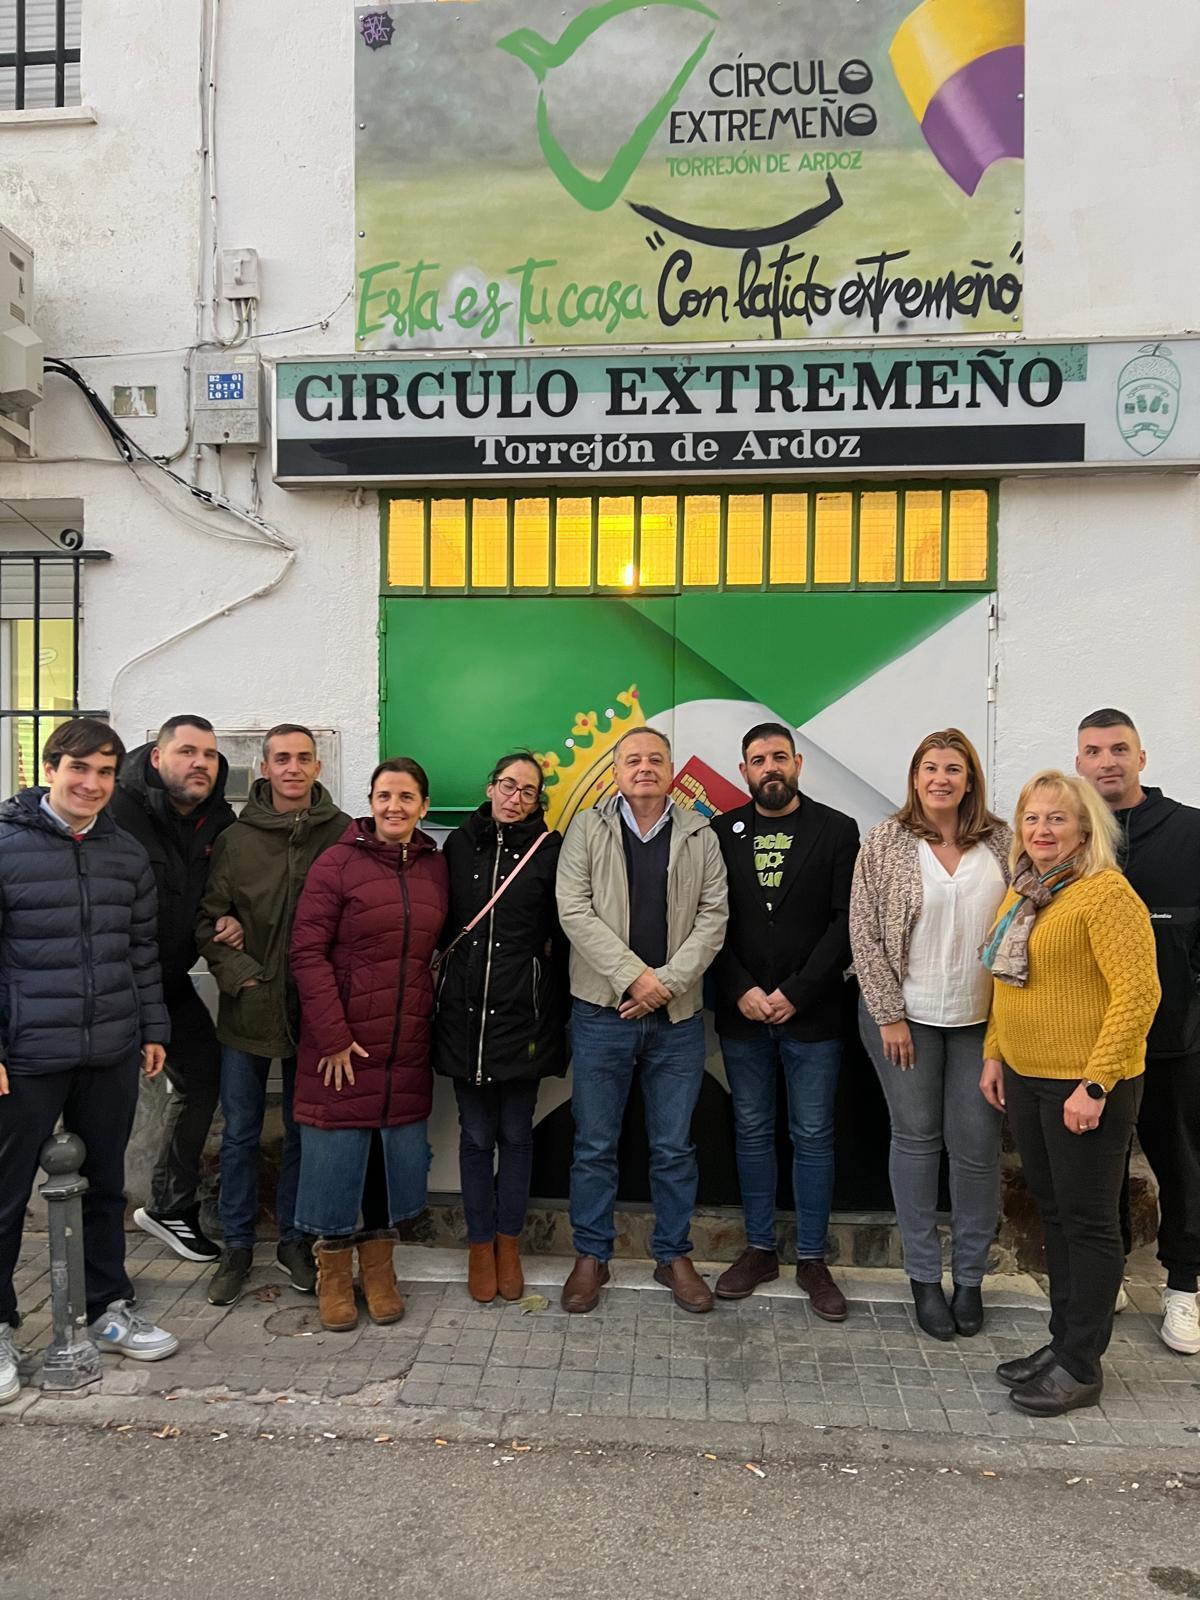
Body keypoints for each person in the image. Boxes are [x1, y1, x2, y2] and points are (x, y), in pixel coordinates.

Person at [0, 719, 177, 1406]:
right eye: (80, 769)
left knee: (106, 1186)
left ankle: (107, 1307)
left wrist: (152, 1026)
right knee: (7, 1196)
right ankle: (3, 1324)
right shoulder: (7, 845)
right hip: (26, 1054)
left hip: (108, 1049)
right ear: (50, 767)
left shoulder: (124, 854)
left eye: (105, 772)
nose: (92, 784)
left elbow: (141, 954)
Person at [980, 771, 1160, 1416]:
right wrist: (995, 1052)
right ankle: (1062, 1344)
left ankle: (1082, 1365)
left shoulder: (1106, 895)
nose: (1042, 831)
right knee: (1054, 1214)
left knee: (1087, 1223)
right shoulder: (1027, 893)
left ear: (1086, 826)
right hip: (1028, 1078)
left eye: (1057, 819)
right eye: (1032, 819)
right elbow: (1008, 982)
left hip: (1084, 1084)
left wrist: (1095, 1083)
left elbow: (1139, 995)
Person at [555, 726, 728, 1315]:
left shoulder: (700, 830)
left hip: (677, 1019)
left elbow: (714, 916)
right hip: (602, 1013)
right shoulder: (586, 827)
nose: (645, 768)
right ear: (616, 770)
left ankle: (673, 1254)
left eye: (656, 759)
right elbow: (572, 909)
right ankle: (591, 1255)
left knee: (675, 1146)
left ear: (671, 769)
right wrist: (635, 978)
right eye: (634, 759)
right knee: (594, 1145)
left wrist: (666, 986)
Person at [850, 730, 1011, 1340]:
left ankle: (969, 1278)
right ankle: (923, 1277)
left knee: (975, 1151)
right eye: (930, 768)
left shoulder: (1003, 841)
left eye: (954, 768)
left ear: (970, 780)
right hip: (904, 1020)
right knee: (916, 1142)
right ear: (915, 777)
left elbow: (1026, 924)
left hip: (981, 1021)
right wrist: (889, 1013)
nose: (941, 778)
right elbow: (863, 932)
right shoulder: (886, 841)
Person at [289, 758, 447, 1332]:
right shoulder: (338, 862)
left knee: (386, 1162)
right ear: (371, 801)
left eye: (407, 797)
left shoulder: (435, 869)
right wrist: (332, 1036)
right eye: (385, 796)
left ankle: (379, 1271)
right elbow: (306, 953)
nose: (394, 807)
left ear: (424, 806)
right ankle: (332, 1273)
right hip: (342, 1045)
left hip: (405, 1041)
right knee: (337, 1157)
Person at [196, 724, 349, 1307]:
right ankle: (237, 1246)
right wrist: (244, 975)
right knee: (239, 1134)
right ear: (264, 767)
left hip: (314, 1010)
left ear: (317, 768)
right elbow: (209, 921)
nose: (292, 767)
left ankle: (294, 1239)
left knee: (306, 1133)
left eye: (303, 758)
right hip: (248, 1008)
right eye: (281, 758)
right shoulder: (236, 840)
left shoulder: (342, 836)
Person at [710, 723, 858, 1321]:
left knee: (814, 1135)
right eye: (756, 760)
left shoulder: (836, 829)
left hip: (812, 1014)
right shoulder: (720, 832)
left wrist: (796, 991)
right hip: (742, 1014)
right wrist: (740, 986)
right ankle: (760, 1249)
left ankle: (814, 1258)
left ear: (797, 763)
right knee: (750, 1132)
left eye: (778, 757)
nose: (768, 767)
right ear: (743, 771)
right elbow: (705, 919)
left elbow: (846, 921)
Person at [433, 752, 568, 1305]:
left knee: (516, 1137)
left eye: (528, 791)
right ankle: (479, 1244)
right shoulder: (458, 846)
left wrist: (553, 1014)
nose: (515, 797)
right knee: (474, 1137)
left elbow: (562, 939)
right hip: (464, 1015)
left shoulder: (552, 851)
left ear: (539, 800)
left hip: (523, 1017)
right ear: (489, 788)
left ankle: (508, 1245)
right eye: (507, 785)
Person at [107, 716, 238, 1264]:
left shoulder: (220, 821)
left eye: (209, 754)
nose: (201, 763)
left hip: (167, 981)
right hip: (108, 986)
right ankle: (93, 1245)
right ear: (158, 758)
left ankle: (170, 1207)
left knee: (205, 1075)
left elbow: (224, 893)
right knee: (102, 1109)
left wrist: (231, 920)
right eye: (187, 752)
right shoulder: (116, 808)